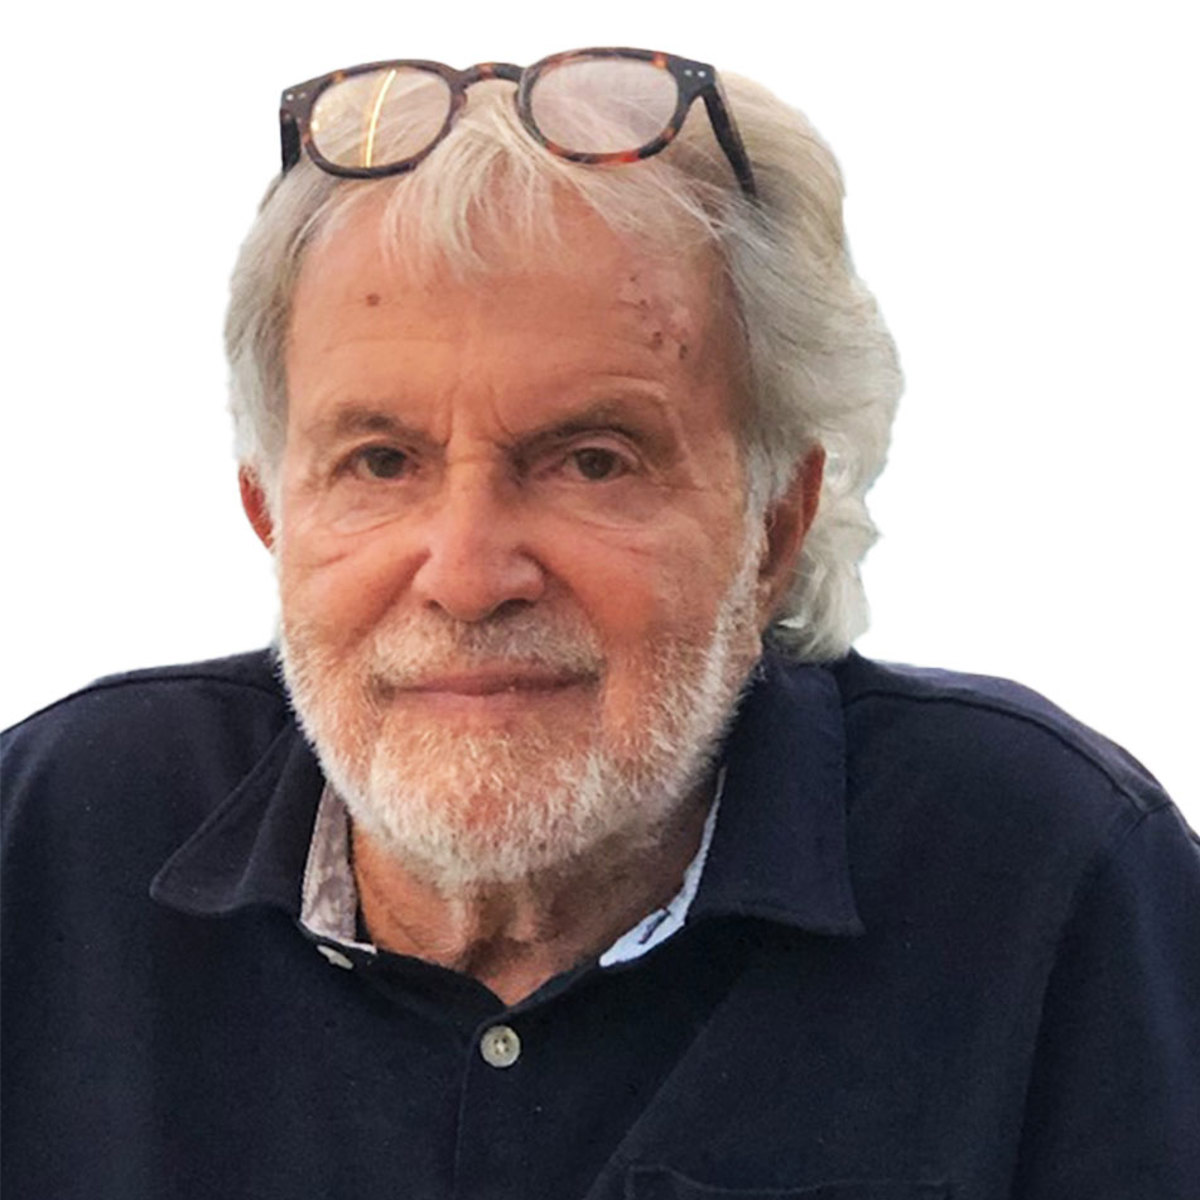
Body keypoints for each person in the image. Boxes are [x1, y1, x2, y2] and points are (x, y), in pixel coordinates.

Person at [2, 48, 1197, 1200]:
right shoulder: (49, 840)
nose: (469, 576)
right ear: (270, 514)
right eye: (380, 461)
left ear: (775, 525)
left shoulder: (1048, 873)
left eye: (591, 460)